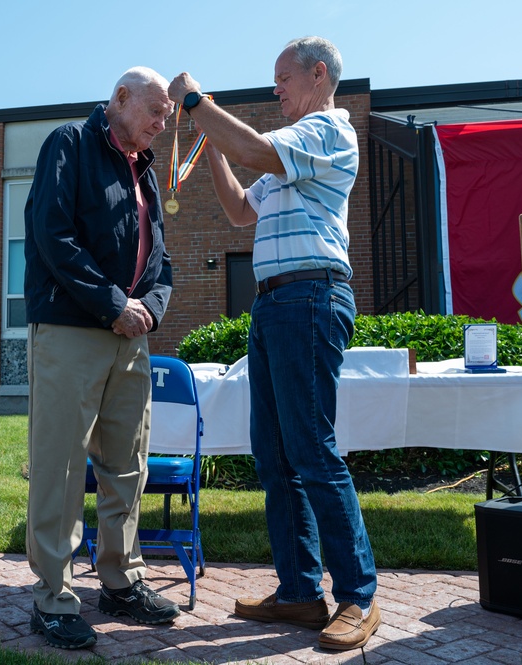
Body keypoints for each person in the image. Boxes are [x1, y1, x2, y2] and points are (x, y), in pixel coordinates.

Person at [168, 37, 380, 651]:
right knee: (275, 454)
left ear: (319, 75)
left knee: (311, 450)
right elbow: (238, 210)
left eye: (283, 78)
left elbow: (255, 147)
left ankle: (358, 597)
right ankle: (298, 593)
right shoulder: (290, 159)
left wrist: (195, 101)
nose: (276, 89)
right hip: (275, 303)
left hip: (310, 297)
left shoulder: (328, 131)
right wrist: (208, 141)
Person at [22, 66, 179, 650]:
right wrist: (114, 303)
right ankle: (54, 599)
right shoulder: (70, 143)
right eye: (156, 112)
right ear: (119, 99)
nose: (163, 125)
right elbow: (52, 234)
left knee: (127, 464)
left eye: (166, 116)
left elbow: (160, 256)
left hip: (131, 338)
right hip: (71, 328)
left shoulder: (145, 170)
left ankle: (120, 581)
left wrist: (150, 310)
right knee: (61, 468)